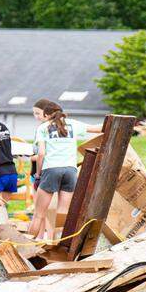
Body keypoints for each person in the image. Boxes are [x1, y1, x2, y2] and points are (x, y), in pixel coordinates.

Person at [27, 99, 100, 240]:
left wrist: (38, 173)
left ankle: (27, 249)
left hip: (51, 169)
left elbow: (41, 154)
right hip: (70, 170)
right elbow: (97, 128)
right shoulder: (72, 124)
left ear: (47, 115)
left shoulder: (43, 128)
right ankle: (58, 247)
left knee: (39, 214)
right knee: (63, 213)